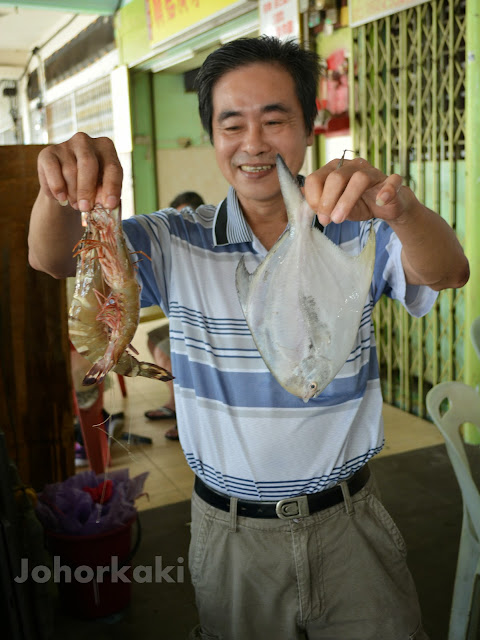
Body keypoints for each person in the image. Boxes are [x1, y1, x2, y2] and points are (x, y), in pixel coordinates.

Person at [28, 36, 469, 640]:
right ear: (212, 136)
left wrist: (401, 210)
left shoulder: (359, 228)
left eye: (274, 119)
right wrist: (60, 191)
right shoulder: (172, 239)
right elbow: (52, 259)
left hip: (351, 522)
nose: (254, 143)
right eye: (231, 123)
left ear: (308, 125)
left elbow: (449, 271)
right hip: (230, 534)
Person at [144, 191, 205, 440]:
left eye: (187, 215)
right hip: (182, 320)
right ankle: (173, 401)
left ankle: (185, 417)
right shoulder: (173, 245)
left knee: (168, 350)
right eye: (178, 217)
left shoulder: (206, 244)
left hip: (202, 325)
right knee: (153, 337)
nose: (183, 221)